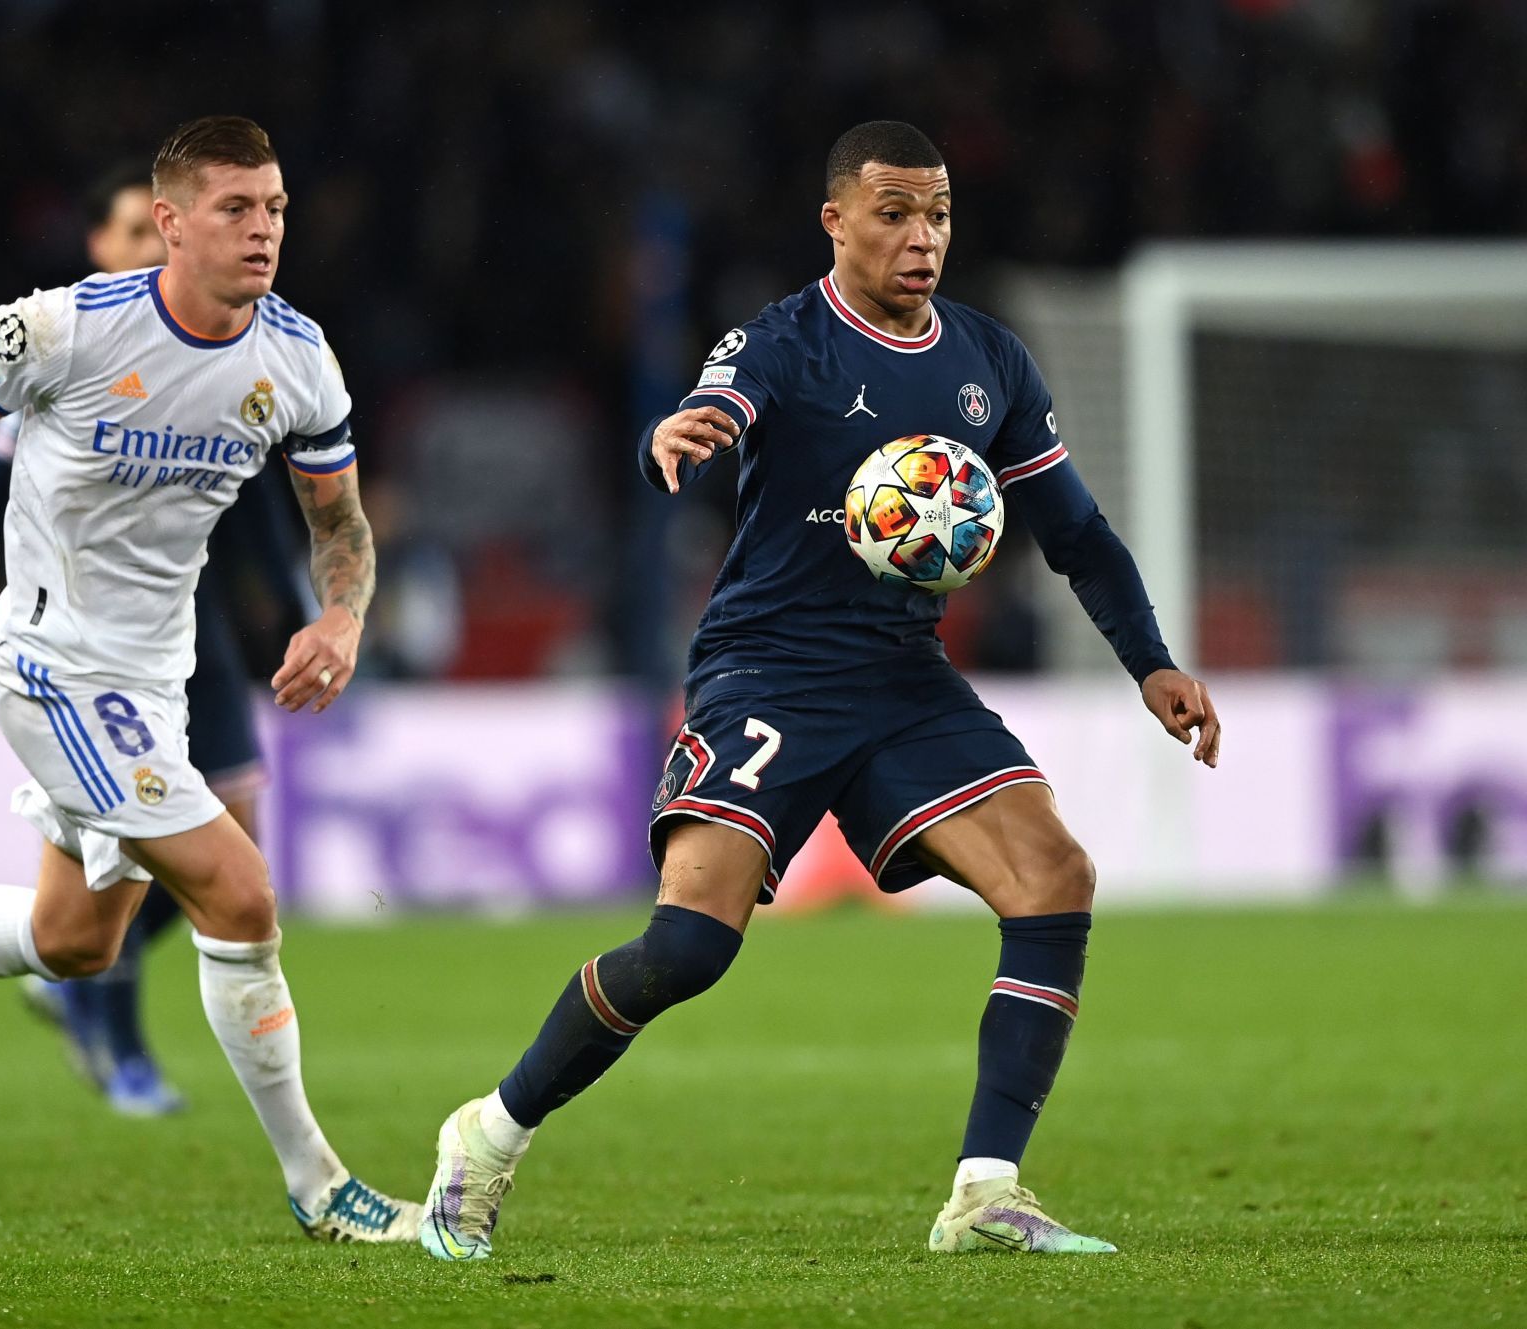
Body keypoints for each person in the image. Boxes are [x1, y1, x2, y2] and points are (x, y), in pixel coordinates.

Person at [418, 120, 1221, 1260]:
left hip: (903, 675)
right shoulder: (780, 341)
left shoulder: (989, 361)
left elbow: (1076, 534)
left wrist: (1152, 662)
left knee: (1053, 879)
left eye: (937, 213)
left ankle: (986, 1194)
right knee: (689, 950)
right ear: (836, 220)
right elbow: (722, 404)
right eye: (893, 212)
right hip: (769, 668)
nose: (920, 236)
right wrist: (687, 428)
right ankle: (487, 1135)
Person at [0, 115, 419, 1243]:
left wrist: (343, 619)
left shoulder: (297, 359)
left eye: (277, 209)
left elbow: (340, 523)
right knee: (241, 894)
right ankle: (320, 1187)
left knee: (75, 942)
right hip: (52, 665)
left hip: (153, 683)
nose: (265, 232)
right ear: (168, 223)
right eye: (237, 209)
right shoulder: (64, 330)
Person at [0, 163, 307, 1117]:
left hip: (195, 642)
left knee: (239, 861)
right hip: (96, 651)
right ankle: (122, 1048)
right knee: (147, 863)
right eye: (133, 233)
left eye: (157, 231)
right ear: (102, 245)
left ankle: (71, 974)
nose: (152, 249)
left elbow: (259, 495)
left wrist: (298, 607)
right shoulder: (74, 347)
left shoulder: (232, 343)